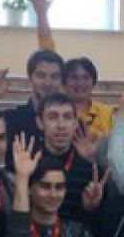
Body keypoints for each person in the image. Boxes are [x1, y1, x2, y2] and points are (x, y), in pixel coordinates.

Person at [27, 0, 115, 138]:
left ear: (94, 82)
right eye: (74, 78)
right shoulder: (54, 110)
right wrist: (41, 15)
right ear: (63, 82)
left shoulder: (107, 114)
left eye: (85, 78)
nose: (80, 83)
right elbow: (48, 49)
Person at [34, 92, 109, 224]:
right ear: (40, 122)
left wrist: (91, 207)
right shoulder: (28, 164)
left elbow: (100, 224)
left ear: (75, 123)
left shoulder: (92, 171)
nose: (61, 125)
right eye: (53, 117)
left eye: (67, 117)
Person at [0, 49, 65, 156]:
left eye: (54, 76)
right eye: (41, 75)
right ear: (30, 79)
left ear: (62, 81)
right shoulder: (12, 119)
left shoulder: (69, 123)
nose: (47, 83)